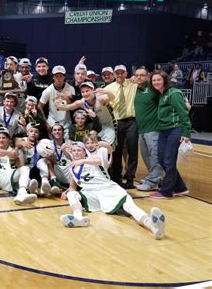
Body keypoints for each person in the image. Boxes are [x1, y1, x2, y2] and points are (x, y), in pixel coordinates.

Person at [59, 142, 166, 240]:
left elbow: (98, 161)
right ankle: (78, 218)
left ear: (84, 151)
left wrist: (82, 160)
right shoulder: (72, 168)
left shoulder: (93, 157)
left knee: (130, 207)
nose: (76, 153)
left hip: (109, 189)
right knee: (72, 194)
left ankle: (153, 226)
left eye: (79, 150)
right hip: (92, 193)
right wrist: (67, 191)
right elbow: (72, 187)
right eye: (74, 151)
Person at [149, 71, 191, 199]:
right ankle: (180, 187)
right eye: (154, 80)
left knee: (169, 160)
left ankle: (166, 191)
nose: (156, 82)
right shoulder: (161, 95)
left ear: (165, 80)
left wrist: (186, 131)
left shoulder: (173, 93)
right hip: (164, 130)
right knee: (162, 159)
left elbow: (183, 112)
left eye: (158, 79)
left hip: (175, 129)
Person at [104, 64, 138, 188]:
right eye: (117, 73)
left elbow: (145, 77)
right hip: (117, 122)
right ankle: (116, 178)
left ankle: (130, 179)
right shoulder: (109, 87)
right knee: (117, 150)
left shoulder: (132, 83)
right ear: (114, 75)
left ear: (126, 74)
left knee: (132, 150)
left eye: (122, 72)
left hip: (132, 121)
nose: (119, 75)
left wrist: (136, 77)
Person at [133, 67, 165, 191]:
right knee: (146, 156)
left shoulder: (153, 89)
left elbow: (167, 94)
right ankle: (156, 177)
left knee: (155, 156)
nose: (139, 77)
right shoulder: (134, 89)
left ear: (147, 76)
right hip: (142, 129)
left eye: (142, 75)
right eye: (137, 75)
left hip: (154, 128)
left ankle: (153, 181)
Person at [38, 65, 75, 136]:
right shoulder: (48, 90)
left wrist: (66, 98)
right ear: (53, 77)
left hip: (66, 122)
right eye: (56, 76)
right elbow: (39, 106)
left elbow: (73, 107)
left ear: (64, 77)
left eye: (60, 76)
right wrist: (46, 122)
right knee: (53, 145)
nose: (58, 78)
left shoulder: (70, 89)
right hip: (52, 121)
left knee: (66, 144)